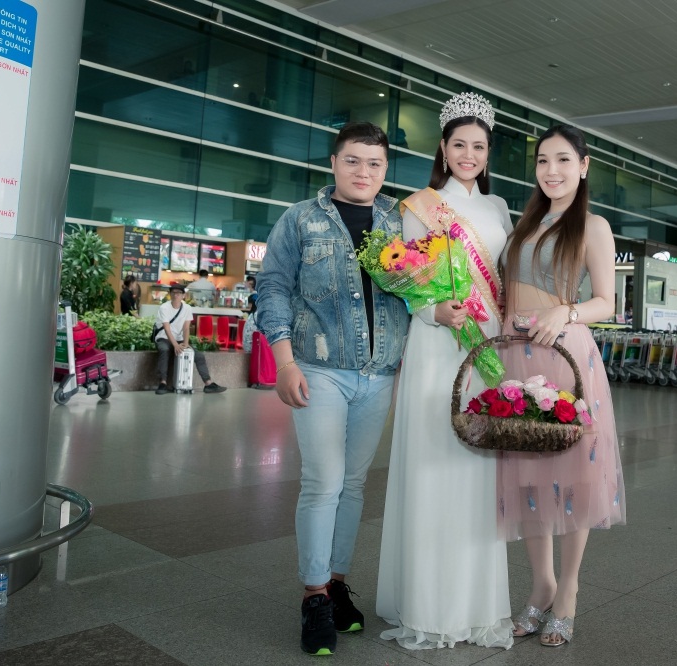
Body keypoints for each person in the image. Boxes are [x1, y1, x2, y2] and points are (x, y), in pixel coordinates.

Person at [257, 121, 410, 657]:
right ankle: (314, 596)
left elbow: (418, 292)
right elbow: (273, 287)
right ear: (334, 162)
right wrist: (284, 361)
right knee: (322, 483)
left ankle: (338, 584)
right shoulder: (301, 219)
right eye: (352, 160)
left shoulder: (399, 221)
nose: (363, 172)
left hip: (379, 372)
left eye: (374, 163)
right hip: (319, 367)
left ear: (385, 168)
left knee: (353, 485)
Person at [376, 92, 514, 651]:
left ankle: (475, 606)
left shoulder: (499, 208)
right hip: (438, 344)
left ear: (488, 152)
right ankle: (429, 606)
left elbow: (504, 278)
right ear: (443, 146)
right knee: (434, 463)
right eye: (459, 144)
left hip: (485, 348)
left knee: (477, 470)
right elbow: (406, 282)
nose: (469, 155)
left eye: (479, 146)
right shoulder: (418, 207)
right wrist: (436, 311)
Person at [498, 125, 626, 648]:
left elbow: (607, 302)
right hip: (515, 356)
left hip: (564, 355)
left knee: (572, 476)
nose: (551, 171)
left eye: (563, 160)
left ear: (584, 165)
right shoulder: (525, 223)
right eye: (543, 161)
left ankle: (568, 589)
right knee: (529, 475)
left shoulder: (593, 226)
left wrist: (565, 311)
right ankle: (542, 584)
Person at [153, 283, 226, 394]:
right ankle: (163, 383)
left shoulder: (187, 308)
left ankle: (208, 384)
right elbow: (167, 329)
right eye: (173, 292)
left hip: (179, 339)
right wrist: (175, 345)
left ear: (183, 295)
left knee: (198, 355)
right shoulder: (164, 307)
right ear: (170, 294)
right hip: (164, 337)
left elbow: (186, 328)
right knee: (164, 349)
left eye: (179, 293)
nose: (176, 295)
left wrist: (186, 344)